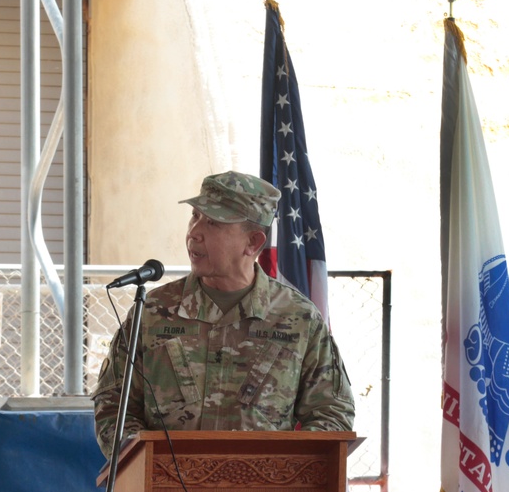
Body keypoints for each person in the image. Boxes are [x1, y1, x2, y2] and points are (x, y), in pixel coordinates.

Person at [92, 170, 355, 455]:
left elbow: (332, 414)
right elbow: (113, 406)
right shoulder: (153, 311)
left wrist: (283, 472)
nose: (194, 233)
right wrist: (148, 466)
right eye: (195, 216)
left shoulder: (299, 320)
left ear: (253, 242)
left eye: (214, 223)